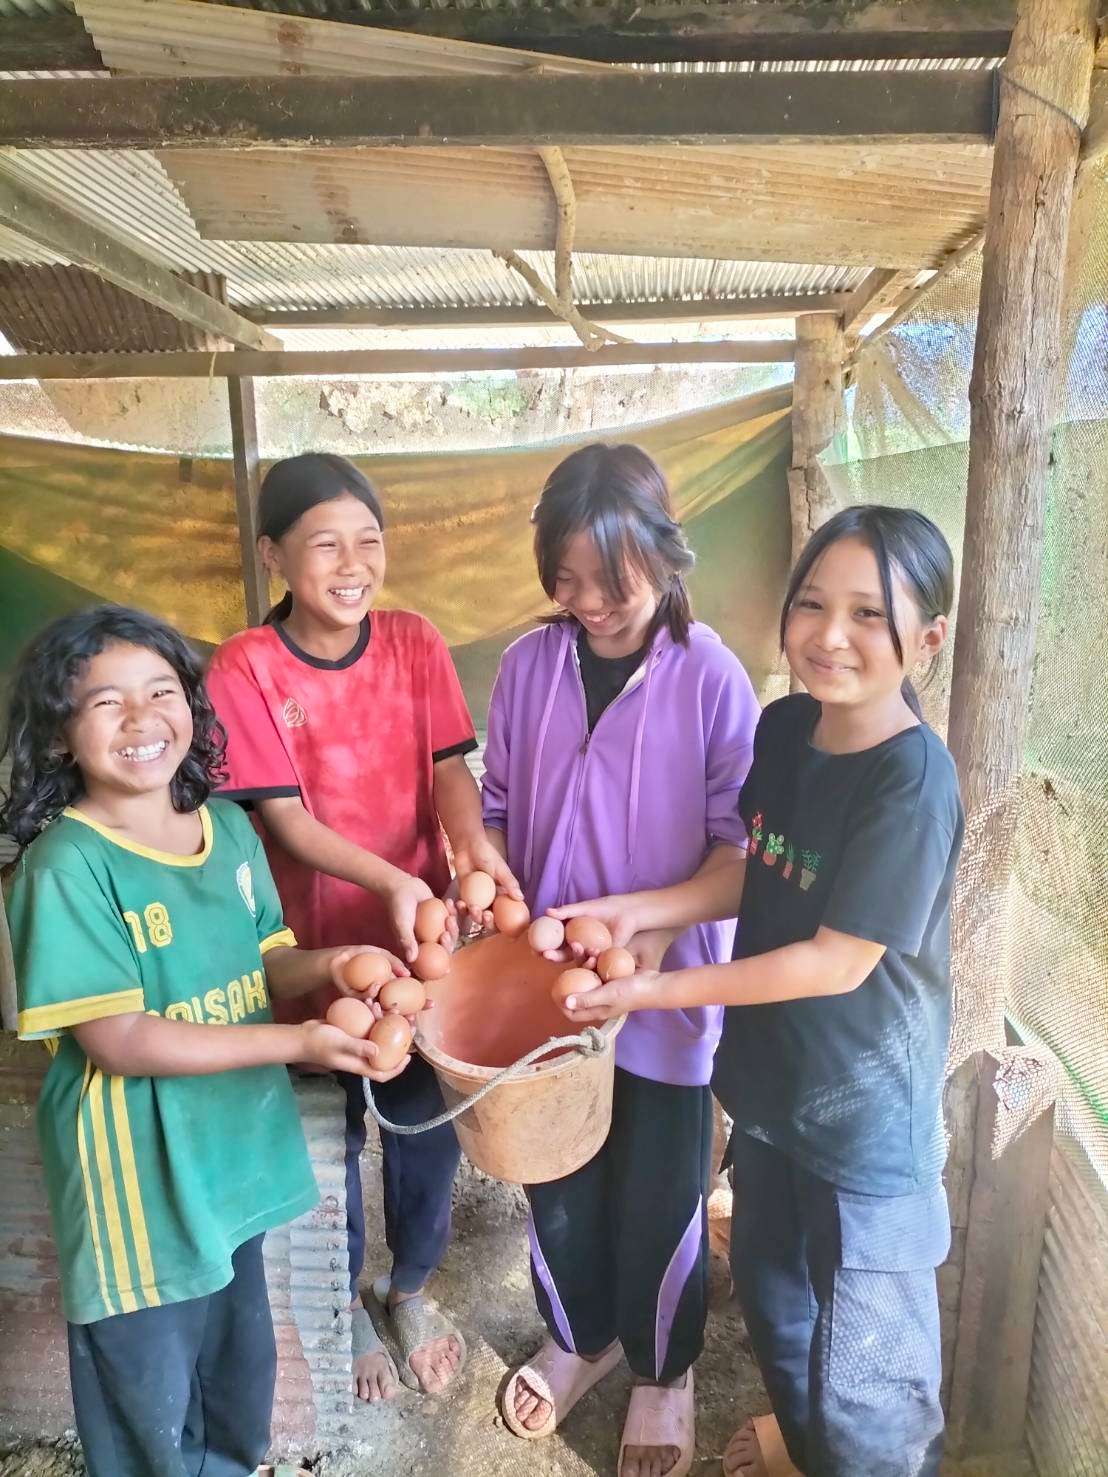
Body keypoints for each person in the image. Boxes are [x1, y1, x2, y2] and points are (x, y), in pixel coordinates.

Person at [552, 505, 964, 1477]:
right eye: (811, 603)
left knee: (872, 1380)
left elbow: (834, 959)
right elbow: (756, 866)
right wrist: (633, 912)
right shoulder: (784, 729)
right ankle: (803, 1441)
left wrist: (651, 992)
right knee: (780, 1316)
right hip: (771, 1099)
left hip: (865, 1135)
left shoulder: (910, 783)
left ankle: (850, 1457)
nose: (829, 634)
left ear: (928, 638)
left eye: (870, 614)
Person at [2, 604, 410, 1477]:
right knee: (149, 1409)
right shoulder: (65, 866)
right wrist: (300, 1039)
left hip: (227, 1163)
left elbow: (268, 959)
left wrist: (338, 964)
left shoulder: (226, 829)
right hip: (138, 1195)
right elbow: (119, 1037)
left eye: (161, 690)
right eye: (105, 703)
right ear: (60, 734)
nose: (142, 719)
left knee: (237, 1380)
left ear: (193, 704)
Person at [205, 452, 520, 1402]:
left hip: (423, 949)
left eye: (369, 541)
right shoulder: (245, 667)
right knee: (329, 1139)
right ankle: (342, 1307)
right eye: (324, 543)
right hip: (311, 953)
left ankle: (410, 1285)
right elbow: (285, 822)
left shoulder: (415, 642)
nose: (352, 564)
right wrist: (391, 882)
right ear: (273, 555)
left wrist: (469, 855)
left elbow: (449, 770)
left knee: (423, 1127)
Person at [479, 443, 760, 1477]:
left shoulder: (712, 678)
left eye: (614, 578)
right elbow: (498, 809)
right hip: (549, 993)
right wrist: (499, 895)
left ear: (665, 552)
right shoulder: (526, 666)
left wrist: (645, 929)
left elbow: (738, 852)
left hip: (668, 999)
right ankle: (580, 1336)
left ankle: (662, 1365)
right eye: (567, 579)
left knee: (660, 1186)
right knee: (554, 1180)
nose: (590, 602)